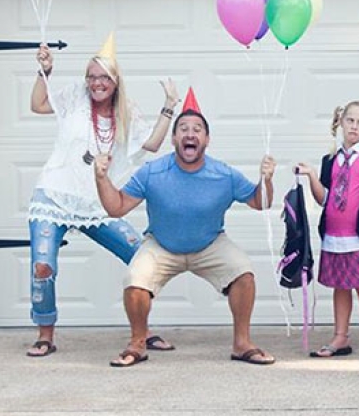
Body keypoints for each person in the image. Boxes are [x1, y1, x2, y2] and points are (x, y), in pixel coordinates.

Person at [94, 91, 277, 367]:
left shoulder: (224, 174)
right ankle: (138, 343)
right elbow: (116, 207)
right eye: (183, 129)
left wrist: (266, 179)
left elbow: (259, 202)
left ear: (206, 139)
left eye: (197, 129)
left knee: (244, 273)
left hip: (210, 243)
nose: (190, 134)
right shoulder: (152, 172)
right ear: (174, 139)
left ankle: (242, 344)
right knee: (135, 280)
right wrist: (101, 177)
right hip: (162, 244)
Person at [26, 34, 178, 357]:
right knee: (43, 266)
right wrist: (45, 72)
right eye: (92, 76)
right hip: (54, 196)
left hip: (96, 201)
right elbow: (38, 104)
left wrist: (169, 107)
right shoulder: (74, 97)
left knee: (141, 256)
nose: (97, 83)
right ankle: (45, 334)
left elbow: (150, 144)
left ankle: (142, 330)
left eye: (103, 77)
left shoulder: (127, 112)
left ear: (115, 81)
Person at [295, 101, 359, 361]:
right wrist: (312, 176)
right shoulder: (330, 159)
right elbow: (324, 198)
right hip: (334, 235)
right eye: (350, 120)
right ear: (341, 122)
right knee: (340, 287)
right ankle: (340, 337)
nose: (354, 126)